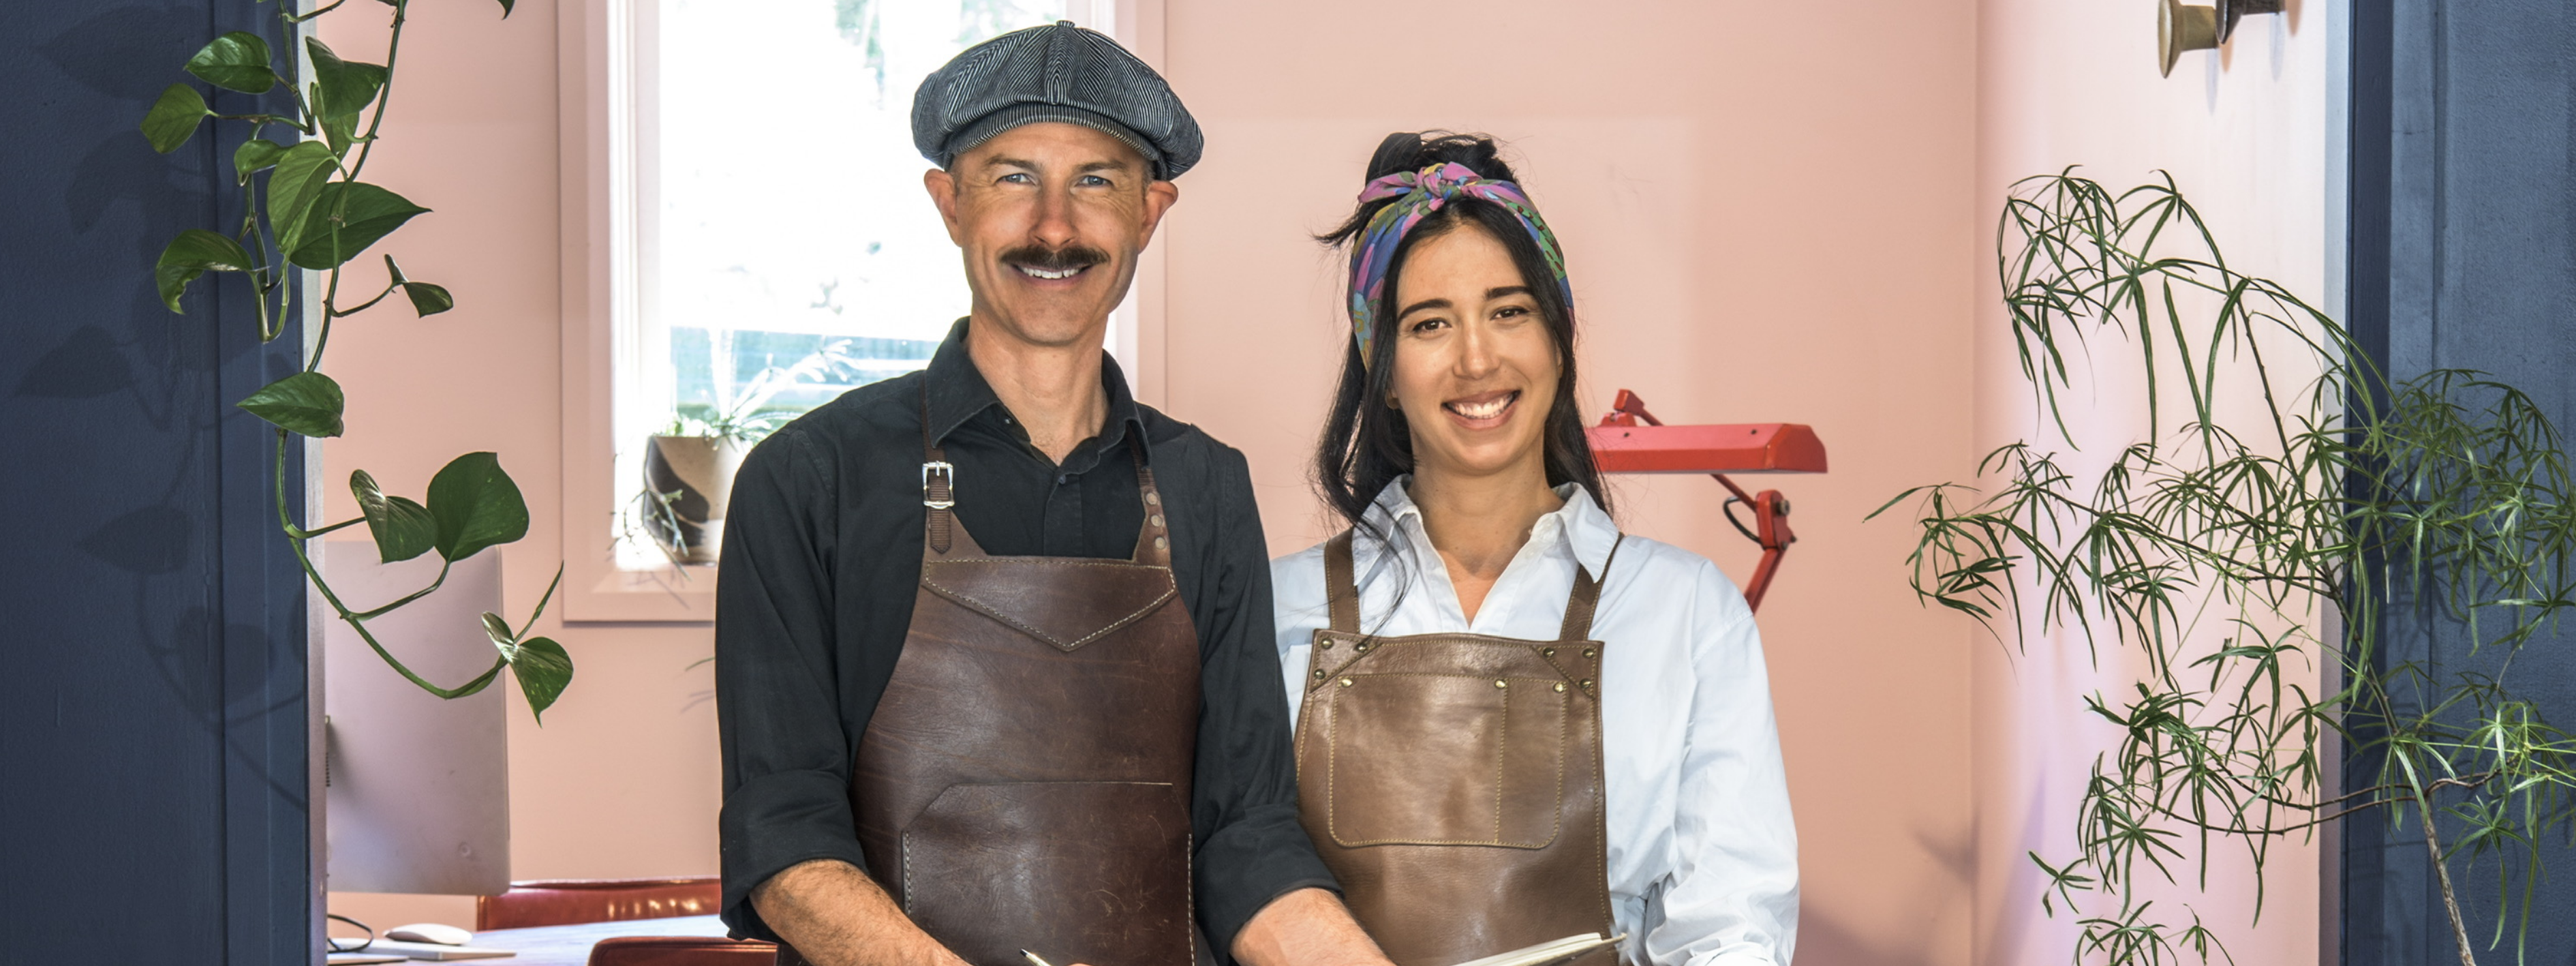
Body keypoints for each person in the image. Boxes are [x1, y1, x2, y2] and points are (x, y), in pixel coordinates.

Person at [716, 23, 1392, 966]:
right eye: (1013, 176)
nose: (1055, 227)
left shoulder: (1205, 485)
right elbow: (785, 836)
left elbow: (1244, 834)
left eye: (1097, 181)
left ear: (1151, 212)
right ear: (949, 203)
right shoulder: (808, 478)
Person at [1271, 132, 1800, 966]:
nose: (1477, 358)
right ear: (1383, 366)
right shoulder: (1277, 609)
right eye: (1430, 323)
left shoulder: (1686, 613)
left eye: (1509, 311)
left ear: (1559, 336)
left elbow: (1732, 930)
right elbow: (1238, 890)